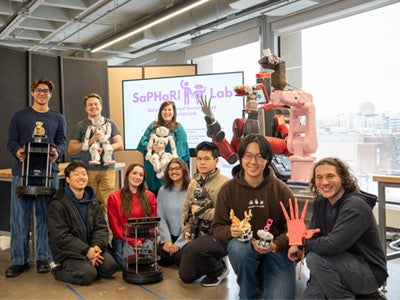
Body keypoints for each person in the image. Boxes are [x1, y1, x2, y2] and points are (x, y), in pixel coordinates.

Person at [287, 157, 388, 299]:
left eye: (330, 176)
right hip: (335, 265)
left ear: (343, 178)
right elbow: (314, 236)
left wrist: (301, 241)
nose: (324, 182)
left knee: (315, 259)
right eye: (319, 177)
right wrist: (301, 244)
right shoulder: (321, 202)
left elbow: (332, 245)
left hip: (369, 272)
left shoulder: (355, 206)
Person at [212, 133, 296, 299]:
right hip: (245, 248)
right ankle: (248, 289)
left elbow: (294, 230)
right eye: (248, 156)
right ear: (241, 157)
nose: (253, 162)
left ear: (267, 159)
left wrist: (275, 245)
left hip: (276, 250)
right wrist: (231, 231)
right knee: (238, 248)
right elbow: (217, 228)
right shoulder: (228, 190)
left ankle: (266, 276)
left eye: (259, 157)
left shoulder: (282, 190)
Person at [6, 77, 66, 277]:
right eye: (39, 90)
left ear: (51, 94)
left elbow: (61, 142)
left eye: (46, 90)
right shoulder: (19, 117)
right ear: (33, 92)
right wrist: (18, 152)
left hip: (49, 174)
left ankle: (43, 258)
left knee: (45, 217)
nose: (42, 93)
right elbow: (11, 142)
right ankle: (18, 260)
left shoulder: (58, 118)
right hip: (22, 173)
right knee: (19, 218)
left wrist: (57, 151)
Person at [46, 161, 119, 285]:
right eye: (76, 174)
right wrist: (86, 250)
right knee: (88, 275)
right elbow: (61, 237)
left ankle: (88, 263)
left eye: (84, 174)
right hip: (68, 252)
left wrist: (96, 247)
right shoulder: (57, 203)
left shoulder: (93, 200)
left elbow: (101, 227)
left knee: (110, 267)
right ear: (68, 179)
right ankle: (57, 269)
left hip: (91, 247)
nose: (81, 177)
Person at [178, 141, 229, 287]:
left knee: (195, 248)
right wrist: (186, 230)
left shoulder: (224, 184)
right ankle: (210, 262)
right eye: (199, 159)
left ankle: (220, 269)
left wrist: (202, 213)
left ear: (216, 160)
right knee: (186, 276)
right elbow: (186, 208)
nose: (202, 162)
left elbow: (225, 215)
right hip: (198, 234)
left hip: (218, 236)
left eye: (207, 159)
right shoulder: (194, 182)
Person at [68, 92, 123, 211]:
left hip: (107, 170)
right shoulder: (81, 125)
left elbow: (120, 145)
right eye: (90, 105)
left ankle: (107, 230)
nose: (93, 107)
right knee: (89, 205)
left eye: (96, 104)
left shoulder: (110, 123)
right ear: (86, 108)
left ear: (101, 106)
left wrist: (106, 148)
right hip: (88, 171)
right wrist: (89, 142)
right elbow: (71, 149)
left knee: (107, 205)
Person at [107, 163, 157, 268]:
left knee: (145, 262)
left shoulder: (150, 196)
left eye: (141, 175)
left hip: (144, 238)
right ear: (128, 175)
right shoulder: (114, 197)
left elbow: (151, 223)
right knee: (132, 264)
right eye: (134, 173)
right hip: (124, 239)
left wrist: (140, 240)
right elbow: (115, 227)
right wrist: (133, 241)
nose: (137, 177)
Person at [137, 100, 190, 195]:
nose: (167, 112)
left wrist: (165, 159)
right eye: (164, 109)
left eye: (170, 110)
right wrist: (152, 147)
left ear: (174, 113)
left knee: (168, 193)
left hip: (168, 167)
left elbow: (180, 152)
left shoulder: (178, 128)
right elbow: (142, 142)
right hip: (152, 166)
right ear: (160, 111)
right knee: (153, 195)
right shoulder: (152, 125)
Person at [157, 157, 190, 266]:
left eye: (177, 168)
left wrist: (179, 244)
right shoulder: (162, 191)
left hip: (186, 236)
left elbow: (191, 221)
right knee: (161, 258)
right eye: (170, 169)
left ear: (183, 170)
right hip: (169, 236)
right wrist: (167, 240)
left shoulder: (191, 190)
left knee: (179, 258)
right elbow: (160, 217)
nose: (174, 172)